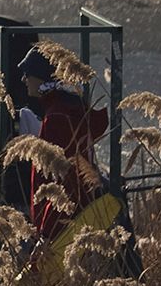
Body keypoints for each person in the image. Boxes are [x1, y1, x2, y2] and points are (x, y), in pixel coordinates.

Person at [16, 48, 109, 241]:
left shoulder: (56, 117)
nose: (23, 79)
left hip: (62, 225)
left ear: (42, 77)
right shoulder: (69, 110)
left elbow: (64, 180)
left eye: (28, 74)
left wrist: (48, 232)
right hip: (77, 216)